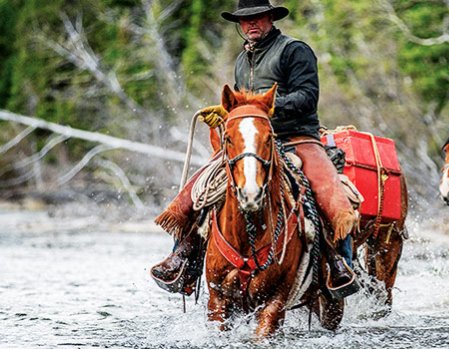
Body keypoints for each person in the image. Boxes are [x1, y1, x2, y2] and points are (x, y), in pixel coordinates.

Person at [150, 0, 359, 298]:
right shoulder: (241, 59)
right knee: (200, 189)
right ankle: (182, 257)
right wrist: (230, 112)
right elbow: (241, 105)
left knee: (330, 195)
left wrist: (262, 107)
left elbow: (307, 97)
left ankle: (338, 264)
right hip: (250, 142)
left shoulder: (294, 50)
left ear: (270, 17)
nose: (250, 24)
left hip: (296, 138)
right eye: (244, 20)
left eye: (257, 17)